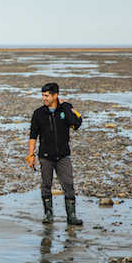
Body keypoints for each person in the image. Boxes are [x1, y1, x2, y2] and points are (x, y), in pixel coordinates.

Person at [26, 82, 83, 226]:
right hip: (45, 156)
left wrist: (67, 108)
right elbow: (33, 136)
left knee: (69, 185)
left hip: (63, 156)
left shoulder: (65, 109)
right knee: (46, 185)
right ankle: (48, 214)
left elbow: (76, 124)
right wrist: (30, 155)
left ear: (55, 95)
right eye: (43, 95)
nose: (44, 98)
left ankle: (72, 217)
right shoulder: (38, 113)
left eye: (47, 95)